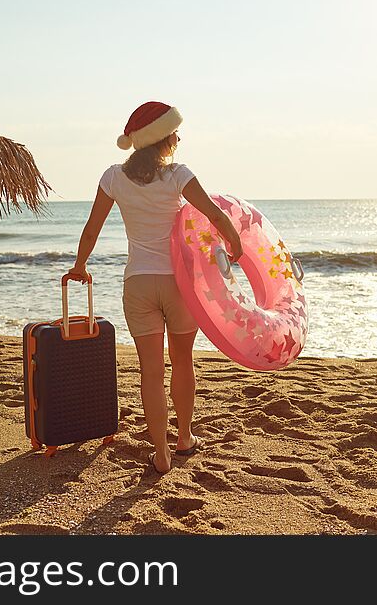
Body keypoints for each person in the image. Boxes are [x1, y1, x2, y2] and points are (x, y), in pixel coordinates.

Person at [66, 101, 243, 474]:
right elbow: (214, 213)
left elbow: (92, 228)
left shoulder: (114, 177)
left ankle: (160, 454)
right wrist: (235, 246)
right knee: (182, 361)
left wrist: (80, 266)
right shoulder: (178, 174)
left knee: (151, 371)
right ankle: (184, 438)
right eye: (174, 131)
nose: (179, 137)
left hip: (139, 284)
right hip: (180, 284)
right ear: (162, 138)